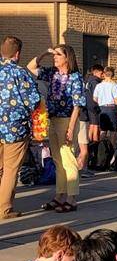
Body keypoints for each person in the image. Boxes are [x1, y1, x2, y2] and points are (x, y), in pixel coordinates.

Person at [27, 45, 86, 213]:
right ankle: (60, 194)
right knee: (58, 160)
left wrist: (71, 128)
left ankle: (71, 197)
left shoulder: (75, 77)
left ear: (68, 58)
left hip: (67, 120)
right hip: (53, 119)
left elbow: (77, 105)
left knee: (68, 159)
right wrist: (45, 52)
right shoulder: (52, 73)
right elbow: (31, 67)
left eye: (59, 54)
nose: (55, 57)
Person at [0, 35, 40, 219]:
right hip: (15, 128)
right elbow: (33, 100)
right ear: (17, 53)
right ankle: (4, 208)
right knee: (10, 169)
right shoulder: (20, 73)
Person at [93, 66, 117, 146]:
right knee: (112, 130)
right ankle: (111, 149)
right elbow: (116, 101)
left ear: (104, 74)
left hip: (102, 108)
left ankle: (101, 148)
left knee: (103, 130)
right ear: (113, 75)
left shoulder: (99, 86)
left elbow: (94, 98)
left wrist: (101, 101)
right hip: (111, 108)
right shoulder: (115, 86)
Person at [85, 64, 104, 144]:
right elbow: (96, 96)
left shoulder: (88, 80)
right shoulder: (95, 82)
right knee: (95, 126)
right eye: (101, 73)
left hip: (88, 106)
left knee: (92, 125)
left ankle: (90, 143)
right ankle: (95, 144)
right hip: (94, 106)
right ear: (96, 72)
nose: (102, 75)